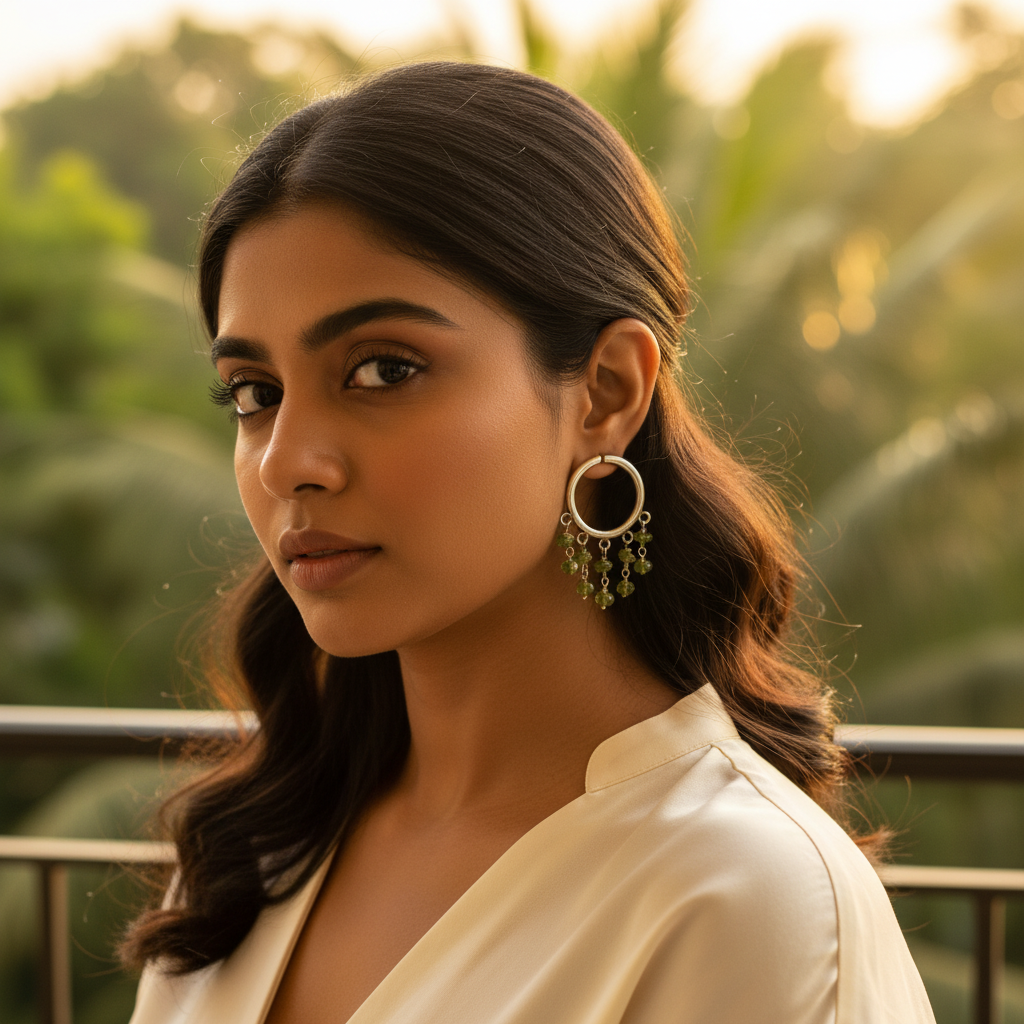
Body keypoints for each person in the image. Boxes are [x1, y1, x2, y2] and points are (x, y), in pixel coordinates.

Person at [123, 61, 935, 1023]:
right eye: (255, 393)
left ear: (606, 392)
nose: (286, 461)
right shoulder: (250, 854)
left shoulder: (744, 899)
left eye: (384, 370)